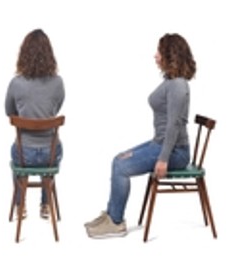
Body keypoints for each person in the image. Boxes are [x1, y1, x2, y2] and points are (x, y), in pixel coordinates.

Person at [87, 33, 196, 239]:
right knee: (119, 158)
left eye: (159, 52)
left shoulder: (178, 86)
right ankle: (111, 214)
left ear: (170, 55)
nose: (155, 56)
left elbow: (173, 125)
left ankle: (116, 223)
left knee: (121, 167)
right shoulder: (171, 81)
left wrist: (163, 159)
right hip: (161, 143)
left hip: (175, 152)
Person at [4, 29, 66, 221]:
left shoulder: (16, 83)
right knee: (51, 153)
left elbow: (9, 112)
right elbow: (55, 109)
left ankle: (19, 205)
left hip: (25, 154)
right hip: (50, 153)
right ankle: (46, 204)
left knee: (16, 156)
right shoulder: (58, 82)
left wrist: (26, 116)